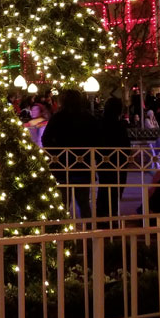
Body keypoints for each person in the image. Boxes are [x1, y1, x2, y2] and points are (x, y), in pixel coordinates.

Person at [42, 89, 99, 220]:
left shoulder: (58, 118)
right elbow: (97, 138)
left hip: (62, 164)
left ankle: (64, 230)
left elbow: (46, 139)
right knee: (84, 203)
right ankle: (88, 230)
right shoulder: (88, 118)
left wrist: (55, 153)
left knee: (63, 203)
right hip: (82, 164)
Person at [95, 97, 130, 225]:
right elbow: (126, 145)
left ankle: (102, 215)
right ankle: (111, 216)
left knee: (104, 187)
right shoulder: (119, 125)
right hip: (117, 161)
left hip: (104, 160)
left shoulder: (100, 123)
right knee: (115, 189)